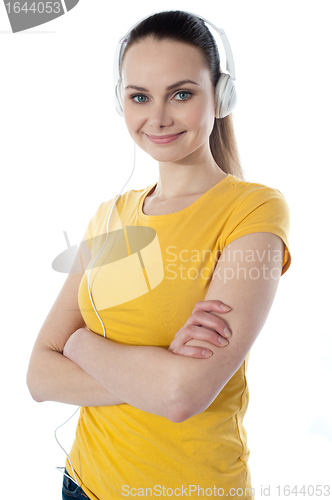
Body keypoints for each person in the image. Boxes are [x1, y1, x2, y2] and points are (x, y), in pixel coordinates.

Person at [26, 10, 292, 500]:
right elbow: (39, 376)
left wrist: (81, 345)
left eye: (182, 94)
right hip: (82, 484)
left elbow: (181, 395)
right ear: (121, 103)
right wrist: (157, 372)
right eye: (140, 97)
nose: (159, 117)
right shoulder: (109, 216)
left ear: (222, 95)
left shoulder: (253, 210)